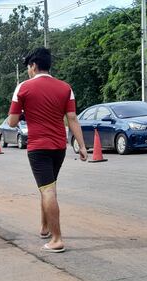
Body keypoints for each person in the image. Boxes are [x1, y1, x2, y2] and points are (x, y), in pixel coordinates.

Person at [7, 47, 87, 253]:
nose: (28, 71)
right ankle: (44, 227)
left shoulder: (22, 88)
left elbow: (13, 122)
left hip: (37, 147)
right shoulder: (66, 88)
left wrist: (24, 110)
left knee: (48, 190)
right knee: (47, 186)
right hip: (59, 146)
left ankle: (57, 238)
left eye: (28, 67)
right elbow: (72, 119)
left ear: (33, 66)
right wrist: (82, 146)